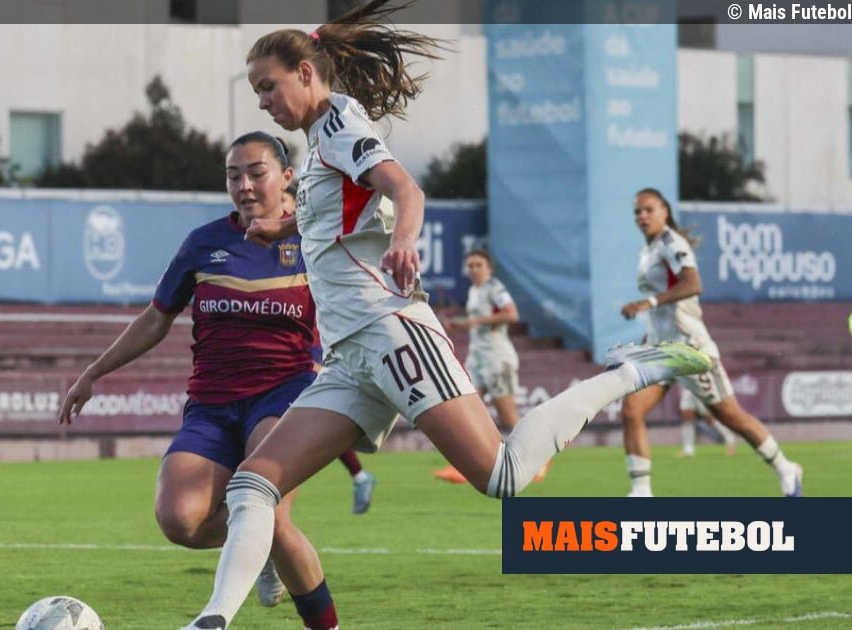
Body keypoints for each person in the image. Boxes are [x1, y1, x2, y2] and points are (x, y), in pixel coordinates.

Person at [180, 4, 711, 628]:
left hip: (390, 332)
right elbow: (340, 215)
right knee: (253, 484)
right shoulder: (321, 138)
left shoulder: (341, 123)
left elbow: (406, 189)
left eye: (268, 86)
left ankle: (630, 373)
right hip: (350, 356)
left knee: (503, 475)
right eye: (256, 92)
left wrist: (405, 241)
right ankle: (213, 619)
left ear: (303, 72)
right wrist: (285, 227)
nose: (263, 101)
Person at [59, 131, 342, 628]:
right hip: (212, 404)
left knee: (270, 514)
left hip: (286, 393)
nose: (244, 185)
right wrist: (94, 371)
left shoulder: (313, 241)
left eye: (256, 173)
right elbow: (156, 318)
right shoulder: (204, 243)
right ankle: (257, 549)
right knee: (179, 520)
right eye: (233, 176)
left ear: (286, 177)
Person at [618, 187, 804, 498]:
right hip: (661, 348)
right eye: (637, 211)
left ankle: (786, 467)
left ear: (665, 211)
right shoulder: (648, 250)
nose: (642, 216)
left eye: (649, 209)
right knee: (631, 409)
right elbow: (664, 309)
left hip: (689, 349)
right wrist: (649, 335)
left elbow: (693, 284)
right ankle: (641, 493)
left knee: (730, 416)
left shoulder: (671, 243)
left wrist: (647, 302)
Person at [285, 184, 378, 515]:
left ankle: (360, 475)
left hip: (311, 349)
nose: (284, 212)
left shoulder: (313, 246)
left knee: (305, 420)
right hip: (286, 351)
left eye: (288, 203)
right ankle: (360, 475)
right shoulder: (266, 247)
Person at [435, 250, 546, 485]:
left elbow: (511, 314)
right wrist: (461, 324)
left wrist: (477, 321)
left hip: (497, 358)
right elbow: (479, 322)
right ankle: (462, 466)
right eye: (470, 265)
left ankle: (539, 456)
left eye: (479, 265)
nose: (474, 269)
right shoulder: (475, 291)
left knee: (508, 415)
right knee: (464, 411)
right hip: (478, 358)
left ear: (489, 268)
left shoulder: (495, 288)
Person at [677, 389, 738, 458]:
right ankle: (688, 450)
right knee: (687, 418)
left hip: (699, 388)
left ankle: (730, 440)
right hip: (687, 389)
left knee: (709, 418)